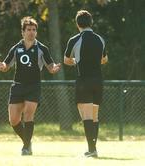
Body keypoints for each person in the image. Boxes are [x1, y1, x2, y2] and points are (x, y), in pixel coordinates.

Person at [0, 16, 61, 156]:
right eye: (28, 30)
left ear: (36, 32)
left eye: (34, 30)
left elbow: (51, 66)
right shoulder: (16, 48)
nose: (31, 32)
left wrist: (54, 68)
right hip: (18, 86)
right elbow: (6, 65)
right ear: (23, 32)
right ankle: (27, 141)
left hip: (34, 86)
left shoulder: (42, 48)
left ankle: (26, 147)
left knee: (28, 113)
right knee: (13, 120)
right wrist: (2, 66)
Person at [64, 10, 108, 157]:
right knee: (94, 116)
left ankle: (92, 149)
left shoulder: (74, 40)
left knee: (86, 116)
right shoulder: (100, 39)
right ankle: (93, 148)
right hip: (98, 81)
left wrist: (75, 61)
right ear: (91, 23)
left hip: (84, 81)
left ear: (77, 24)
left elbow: (66, 60)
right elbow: (104, 59)